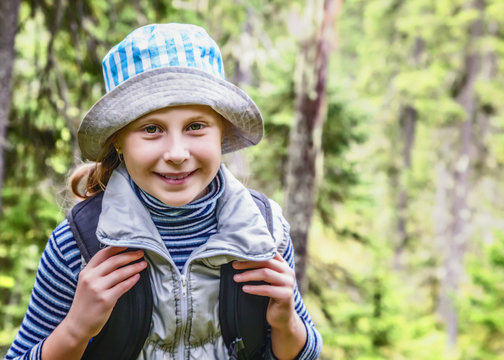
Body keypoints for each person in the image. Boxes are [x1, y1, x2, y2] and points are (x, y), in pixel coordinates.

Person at [5, 23, 322, 360]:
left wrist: (286, 323)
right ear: (119, 141)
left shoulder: (264, 231)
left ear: (222, 132)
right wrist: (75, 329)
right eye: (151, 129)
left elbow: (302, 351)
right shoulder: (78, 245)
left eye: (195, 126)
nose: (176, 153)